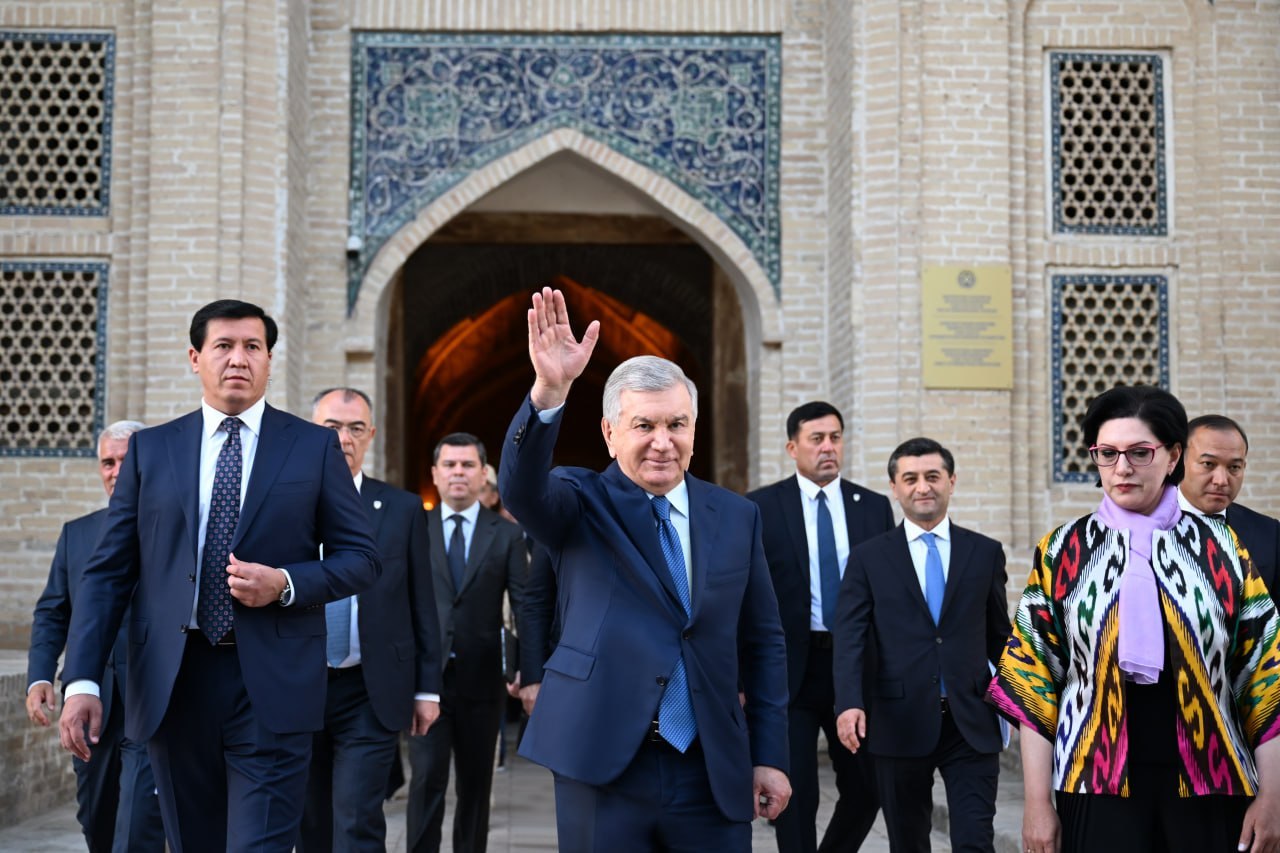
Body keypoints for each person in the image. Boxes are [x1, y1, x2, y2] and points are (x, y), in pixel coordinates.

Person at [57, 299, 381, 852]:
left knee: (260, 844)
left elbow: (362, 558)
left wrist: (285, 584)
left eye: (252, 347)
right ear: (195, 358)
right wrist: (82, 679)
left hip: (273, 682)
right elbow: (107, 574)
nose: (238, 359)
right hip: (174, 680)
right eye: (223, 346)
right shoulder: (152, 451)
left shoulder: (312, 447)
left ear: (269, 360)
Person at [498, 286, 791, 851]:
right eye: (644, 426)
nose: (663, 442)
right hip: (602, 760)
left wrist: (771, 756)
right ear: (610, 434)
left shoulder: (737, 516)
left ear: (694, 430)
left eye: (677, 424)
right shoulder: (577, 500)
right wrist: (549, 392)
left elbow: (764, 642)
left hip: (711, 765)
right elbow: (520, 489)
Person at [987, 385, 1280, 853]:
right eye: (1107, 453)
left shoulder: (1222, 550)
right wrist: (1037, 804)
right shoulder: (1063, 551)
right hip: (1094, 779)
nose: (1122, 468)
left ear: (1173, 456)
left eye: (1140, 453)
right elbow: (1033, 680)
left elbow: (1264, 675)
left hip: (1210, 780)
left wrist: (1273, 799)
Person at [833, 437, 1010, 853]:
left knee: (975, 841)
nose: (923, 487)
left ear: (951, 481)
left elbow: (1000, 637)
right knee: (908, 843)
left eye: (933, 476)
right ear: (894, 488)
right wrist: (849, 702)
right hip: (898, 720)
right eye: (910, 478)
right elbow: (850, 638)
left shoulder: (985, 553)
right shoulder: (868, 558)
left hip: (971, 720)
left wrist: (1024, 705)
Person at [299, 387, 443, 852]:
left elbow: (422, 602)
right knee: (309, 821)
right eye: (332, 427)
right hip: (298, 682)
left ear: (371, 435)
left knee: (358, 818)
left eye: (355, 428)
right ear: (311, 432)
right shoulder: (282, 502)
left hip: (371, 687)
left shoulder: (402, 509)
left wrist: (427, 689)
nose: (344, 438)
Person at [746, 401, 894, 853]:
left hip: (854, 669)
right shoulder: (760, 508)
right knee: (795, 795)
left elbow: (886, 595)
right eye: (817, 439)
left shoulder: (873, 508)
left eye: (835, 438)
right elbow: (743, 598)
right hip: (788, 671)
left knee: (867, 786)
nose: (828, 447)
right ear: (793, 448)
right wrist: (741, 678)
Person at [26, 420, 165, 853]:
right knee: (96, 817)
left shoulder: (179, 529)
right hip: (92, 701)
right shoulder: (77, 533)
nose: (116, 471)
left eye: (126, 460)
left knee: (139, 824)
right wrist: (40, 675)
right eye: (108, 462)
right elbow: (53, 611)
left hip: (156, 699)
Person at [407, 433, 527, 853]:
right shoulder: (414, 529)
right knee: (426, 781)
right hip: (427, 681)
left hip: (482, 681)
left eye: (468, 465)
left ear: (482, 475)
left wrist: (526, 668)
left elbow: (524, 605)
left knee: (476, 786)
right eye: (450, 465)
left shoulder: (506, 535)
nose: (458, 472)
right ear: (435, 474)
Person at [1177, 414, 1280, 605]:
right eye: (1208, 464)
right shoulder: (1145, 526)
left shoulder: (1269, 532)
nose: (1221, 480)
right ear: (1177, 461)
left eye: (1234, 467)